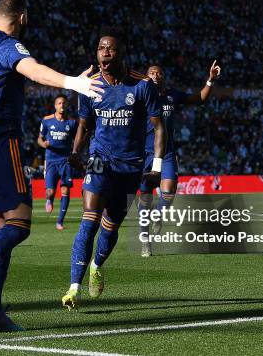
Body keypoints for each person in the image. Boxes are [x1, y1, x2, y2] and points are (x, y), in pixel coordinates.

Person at [0, 0, 103, 331]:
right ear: (22, 17)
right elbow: (35, 71)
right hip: (1, 142)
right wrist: (75, 83)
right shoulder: (8, 46)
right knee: (19, 226)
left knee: (4, 228)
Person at [62, 34, 165, 310]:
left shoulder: (142, 85)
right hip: (99, 158)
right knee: (89, 219)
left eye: (110, 49)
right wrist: (75, 151)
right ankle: (73, 288)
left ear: (121, 54)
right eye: (100, 48)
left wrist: (155, 168)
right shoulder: (90, 85)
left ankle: (97, 265)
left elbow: (159, 127)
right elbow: (84, 125)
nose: (104, 53)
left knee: (112, 223)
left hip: (130, 165)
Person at [138, 62, 221, 257]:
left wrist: (210, 80)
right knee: (145, 197)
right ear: (146, 77)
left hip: (166, 152)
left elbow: (199, 98)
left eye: (159, 72)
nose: (156, 75)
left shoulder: (171, 95)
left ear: (164, 77)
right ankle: (145, 242)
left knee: (168, 192)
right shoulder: (139, 96)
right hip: (144, 154)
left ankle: (158, 215)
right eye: (152, 73)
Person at [37, 94, 77, 230]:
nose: (62, 106)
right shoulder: (47, 121)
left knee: (65, 190)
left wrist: (75, 153)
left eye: (64, 103)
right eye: (59, 103)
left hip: (65, 161)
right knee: (51, 191)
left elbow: (77, 139)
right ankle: (50, 199)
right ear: (55, 106)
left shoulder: (72, 123)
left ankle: (60, 222)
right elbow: (39, 139)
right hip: (51, 160)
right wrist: (44, 144)